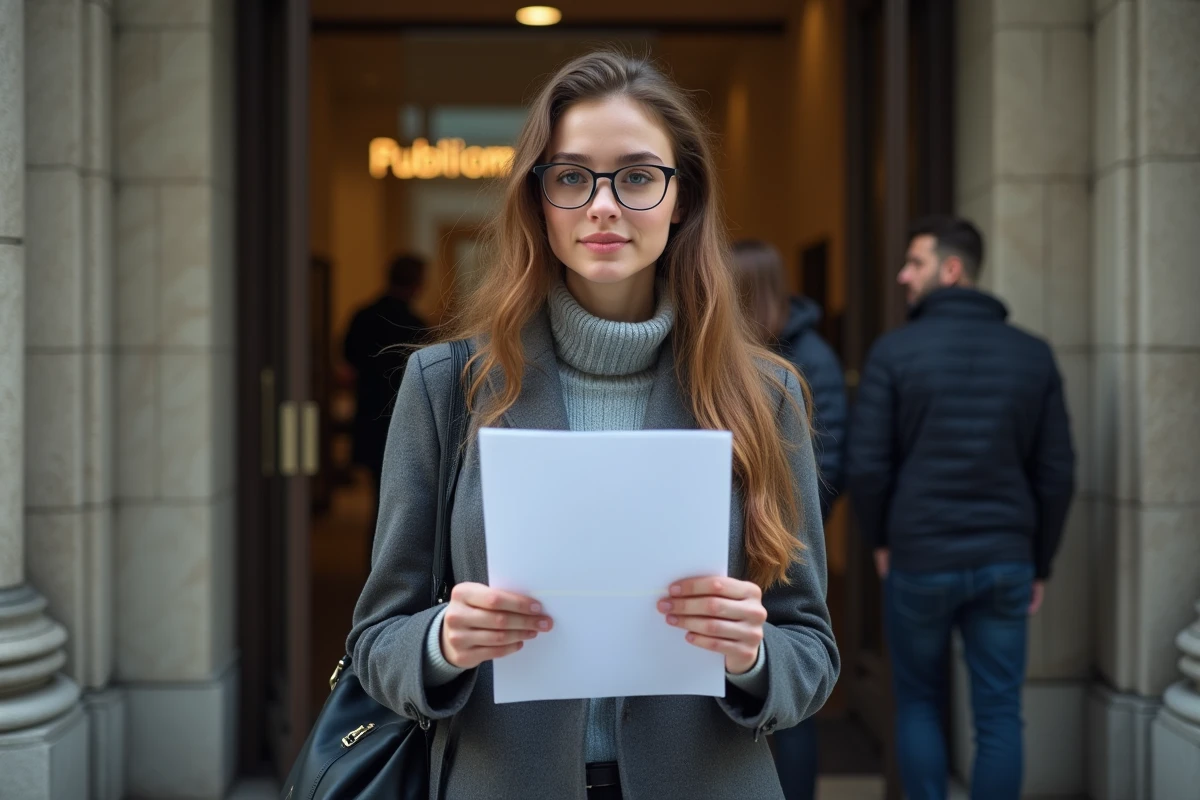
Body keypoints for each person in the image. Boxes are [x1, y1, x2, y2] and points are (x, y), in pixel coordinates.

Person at [347, 51, 840, 800]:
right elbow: (375, 642)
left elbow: (811, 653)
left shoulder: (763, 395)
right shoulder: (447, 387)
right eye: (573, 177)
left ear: (681, 200)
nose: (603, 205)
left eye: (637, 176)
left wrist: (751, 653)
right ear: (538, 201)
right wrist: (442, 642)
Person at [846, 215, 1076, 800]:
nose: (903, 274)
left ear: (951, 270)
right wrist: (1039, 561)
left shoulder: (894, 353)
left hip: (919, 557)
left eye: (915, 263)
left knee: (918, 701)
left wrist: (879, 541)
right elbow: (1056, 472)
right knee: (999, 712)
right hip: (1006, 559)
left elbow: (868, 466)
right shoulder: (1033, 355)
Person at [731, 239, 848, 800]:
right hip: (739, 551)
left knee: (786, 690)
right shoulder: (718, 357)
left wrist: (784, 533)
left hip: (783, 547)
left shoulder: (805, 362)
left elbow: (830, 459)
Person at [342, 254, 429, 560]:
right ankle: (385, 569)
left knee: (379, 500)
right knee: (400, 502)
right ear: (418, 284)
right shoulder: (416, 326)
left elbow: (348, 363)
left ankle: (375, 568)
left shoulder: (363, 316)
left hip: (368, 416)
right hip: (404, 420)